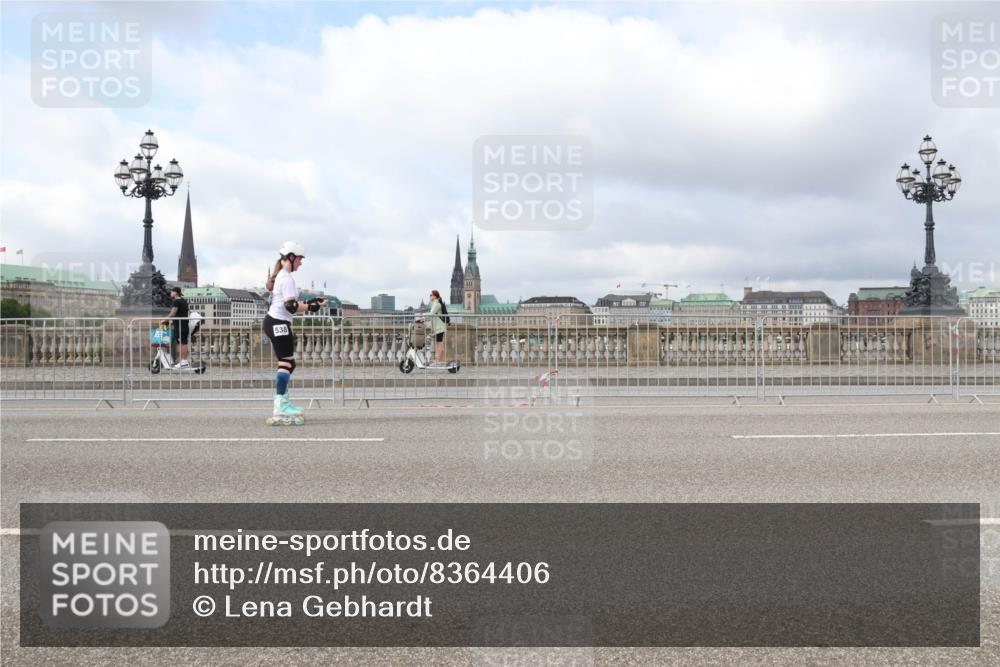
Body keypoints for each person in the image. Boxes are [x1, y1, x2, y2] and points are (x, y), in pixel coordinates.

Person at [263, 241, 326, 421]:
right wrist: (312, 307)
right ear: (290, 257)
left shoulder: (283, 276)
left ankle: (283, 401)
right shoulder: (286, 278)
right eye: (299, 259)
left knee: (289, 364)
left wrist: (311, 302)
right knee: (286, 364)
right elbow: (290, 306)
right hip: (278, 323)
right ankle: (280, 405)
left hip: (275, 322)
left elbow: (290, 302)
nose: (301, 263)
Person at [161, 286, 191, 368]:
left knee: (182, 343)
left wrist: (165, 320)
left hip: (180, 325)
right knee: (183, 342)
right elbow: (183, 313)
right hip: (184, 324)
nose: (170, 293)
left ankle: (184, 361)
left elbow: (173, 313)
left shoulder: (176, 301)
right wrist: (172, 321)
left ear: (176, 293)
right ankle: (184, 361)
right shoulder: (183, 300)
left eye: (172, 291)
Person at [426, 289, 447, 363]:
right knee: (440, 344)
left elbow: (431, 314)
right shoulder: (436, 303)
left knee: (439, 344)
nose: (430, 296)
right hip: (439, 327)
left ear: (435, 296)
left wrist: (422, 317)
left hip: (439, 327)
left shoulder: (437, 304)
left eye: (431, 295)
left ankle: (439, 361)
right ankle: (442, 361)